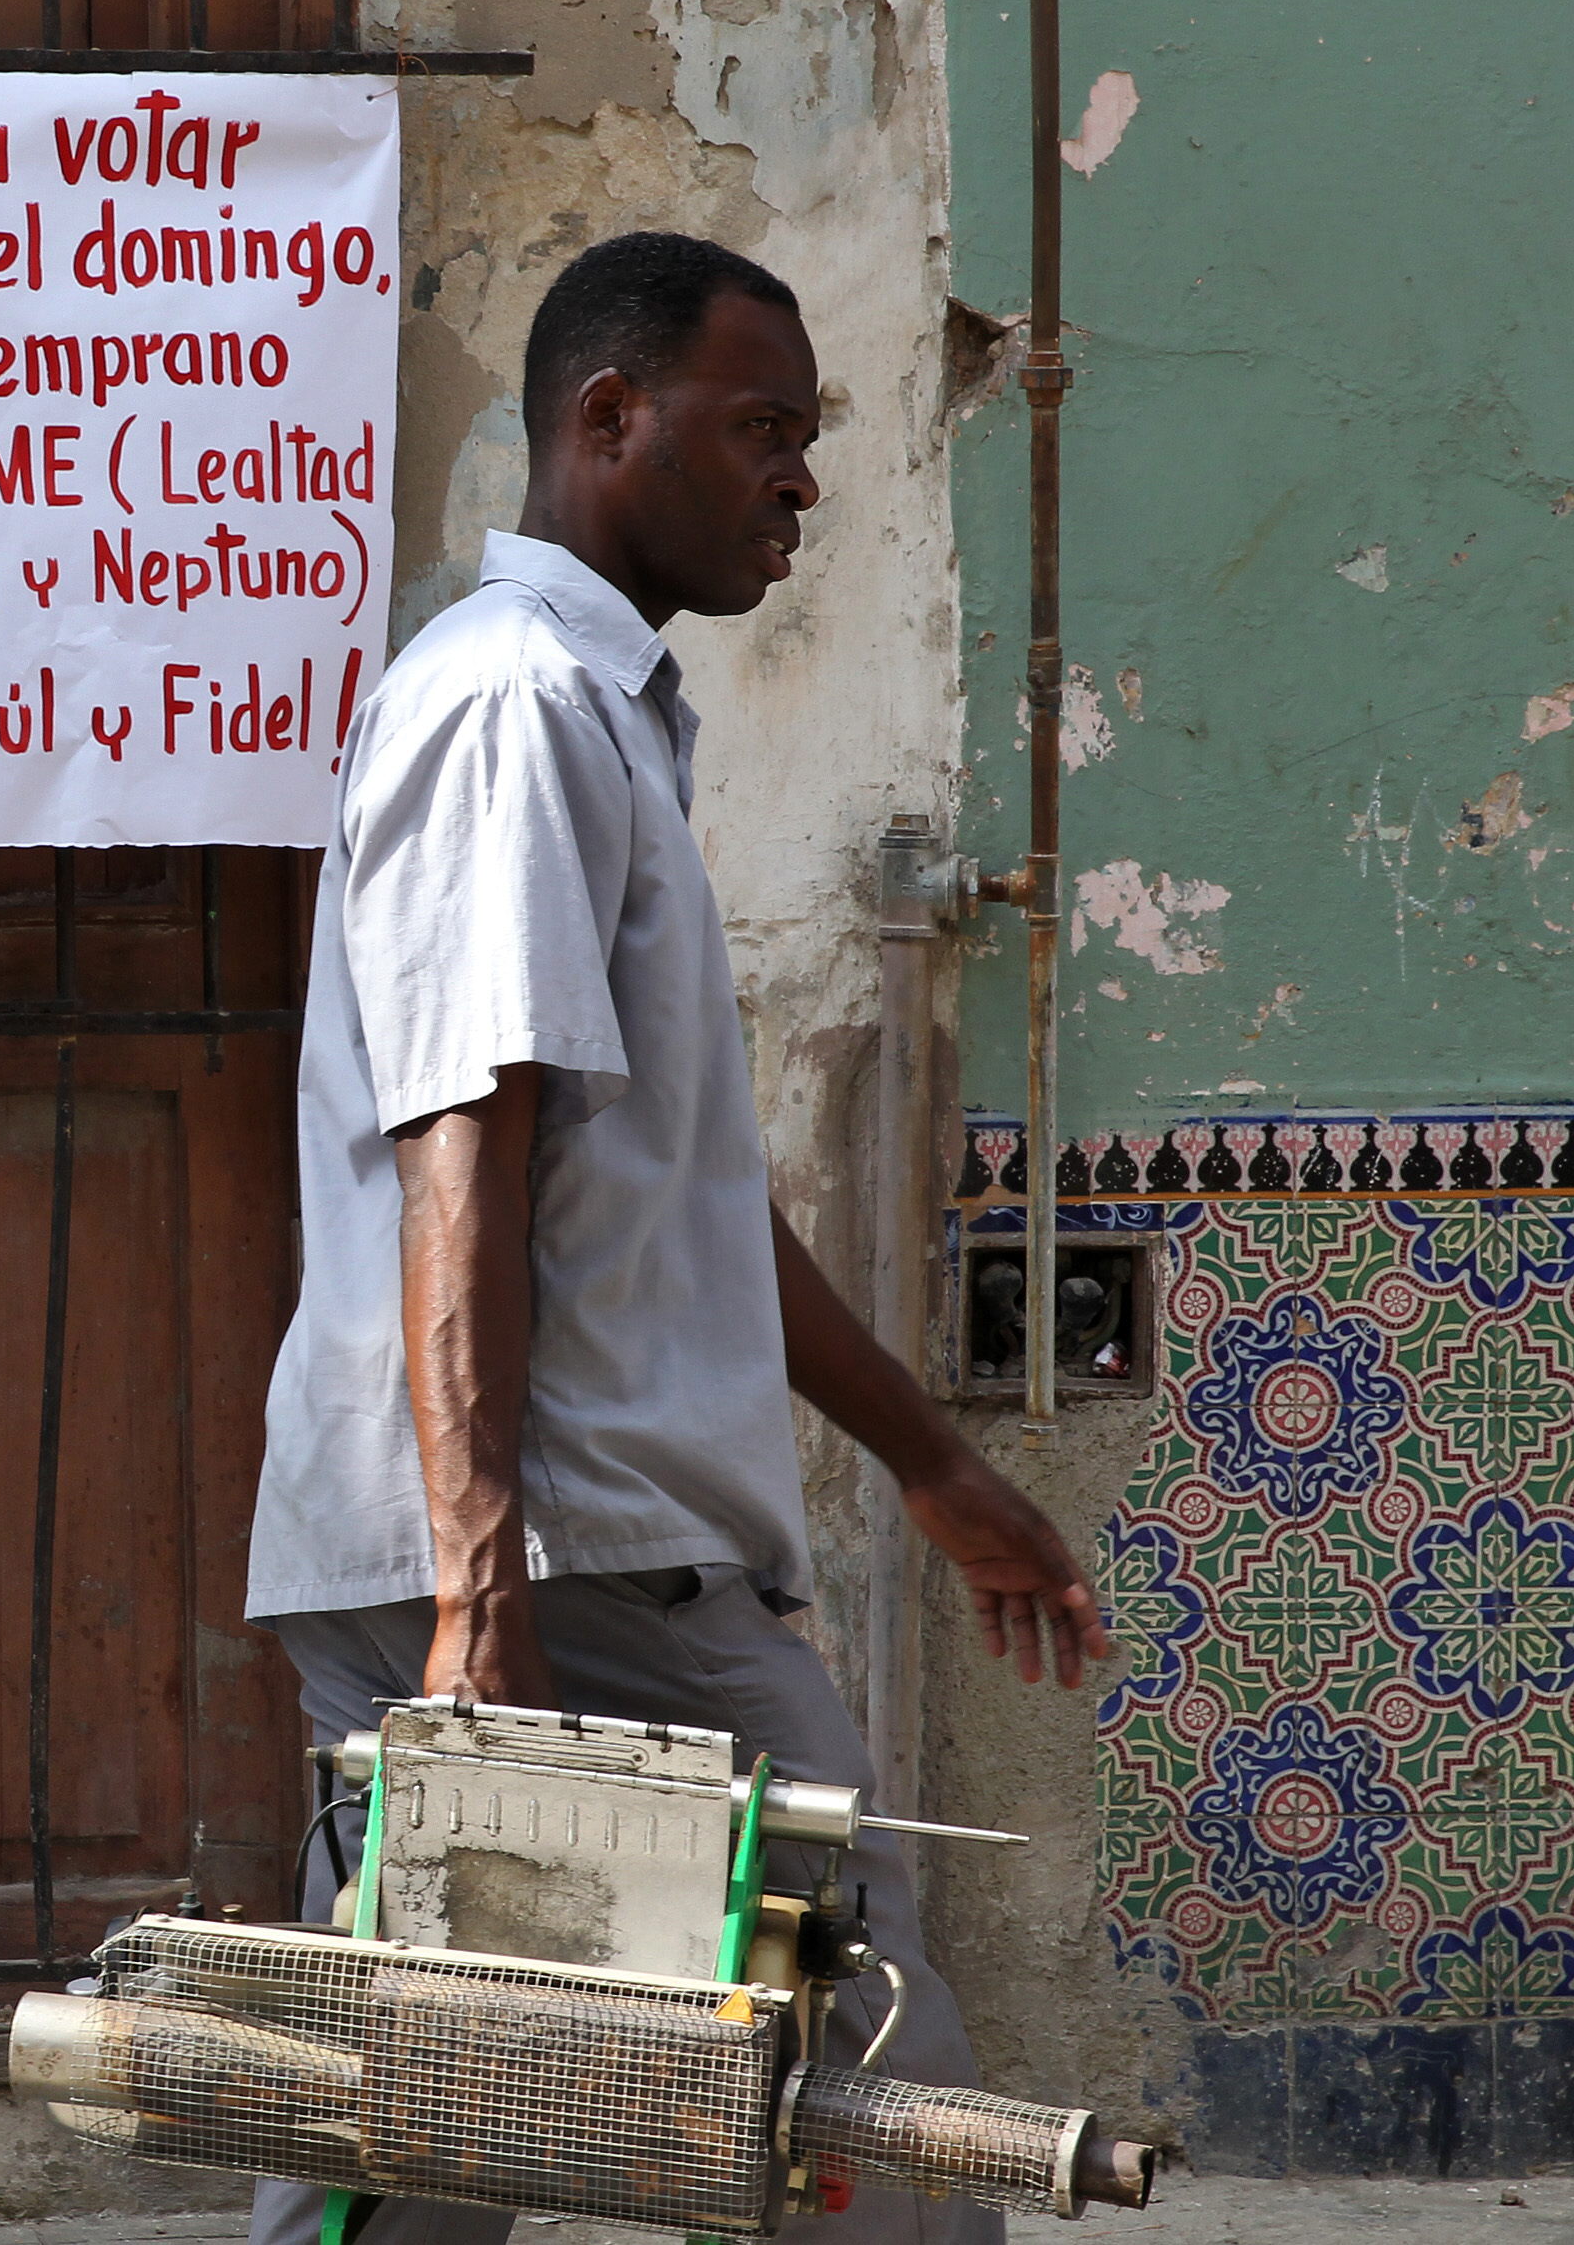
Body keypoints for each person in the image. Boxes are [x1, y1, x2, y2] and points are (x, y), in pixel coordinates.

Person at [246, 234, 1109, 2245]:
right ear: (603, 418)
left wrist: (932, 1459)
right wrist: (483, 1605)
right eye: (762, 430)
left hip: (539, 1546)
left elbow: (678, 1209)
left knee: (424, 2120)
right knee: (855, 2074)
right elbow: (462, 1141)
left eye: (807, 439)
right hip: (571, 1557)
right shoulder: (513, 707)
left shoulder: (590, 716)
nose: (800, 480)